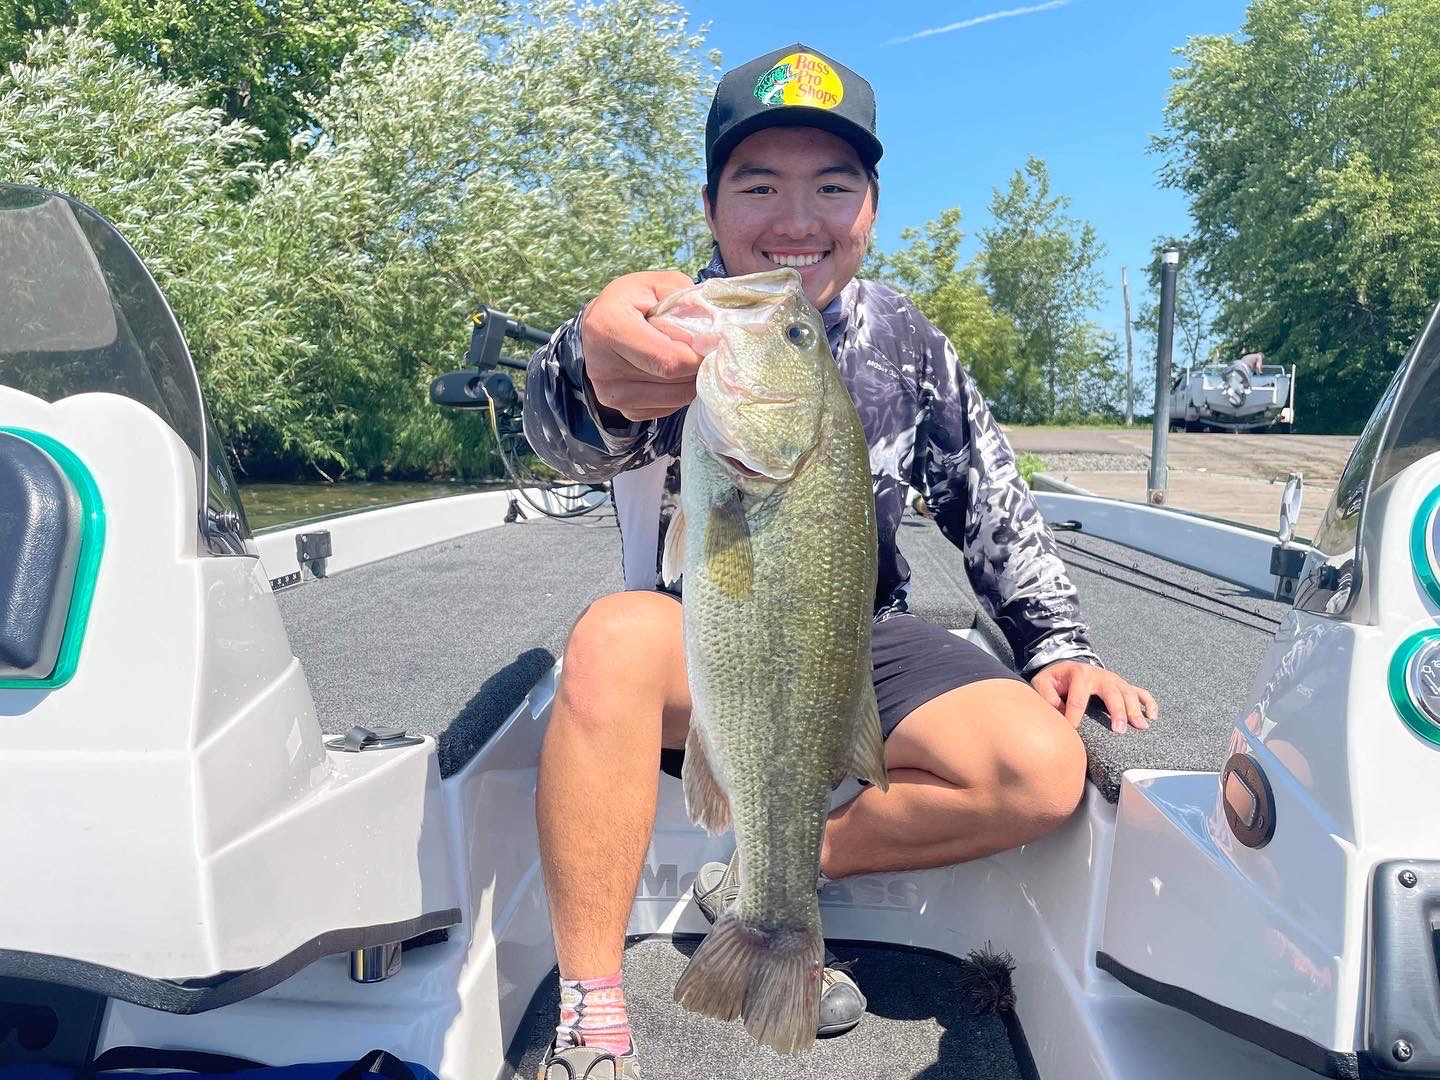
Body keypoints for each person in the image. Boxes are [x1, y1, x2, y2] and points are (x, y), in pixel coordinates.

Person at [522, 44, 1158, 1080]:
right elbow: (563, 439)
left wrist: (1056, 642)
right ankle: (591, 1019)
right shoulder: (671, 327)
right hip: (704, 640)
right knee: (608, 639)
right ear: (710, 206)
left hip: (855, 635)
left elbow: (988, 495)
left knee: (1043, 770)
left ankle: (769, 880)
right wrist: (583, 365)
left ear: (870, 207)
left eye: (832, 185)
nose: (797, 219)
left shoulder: (906, 336)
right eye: (757, 186)